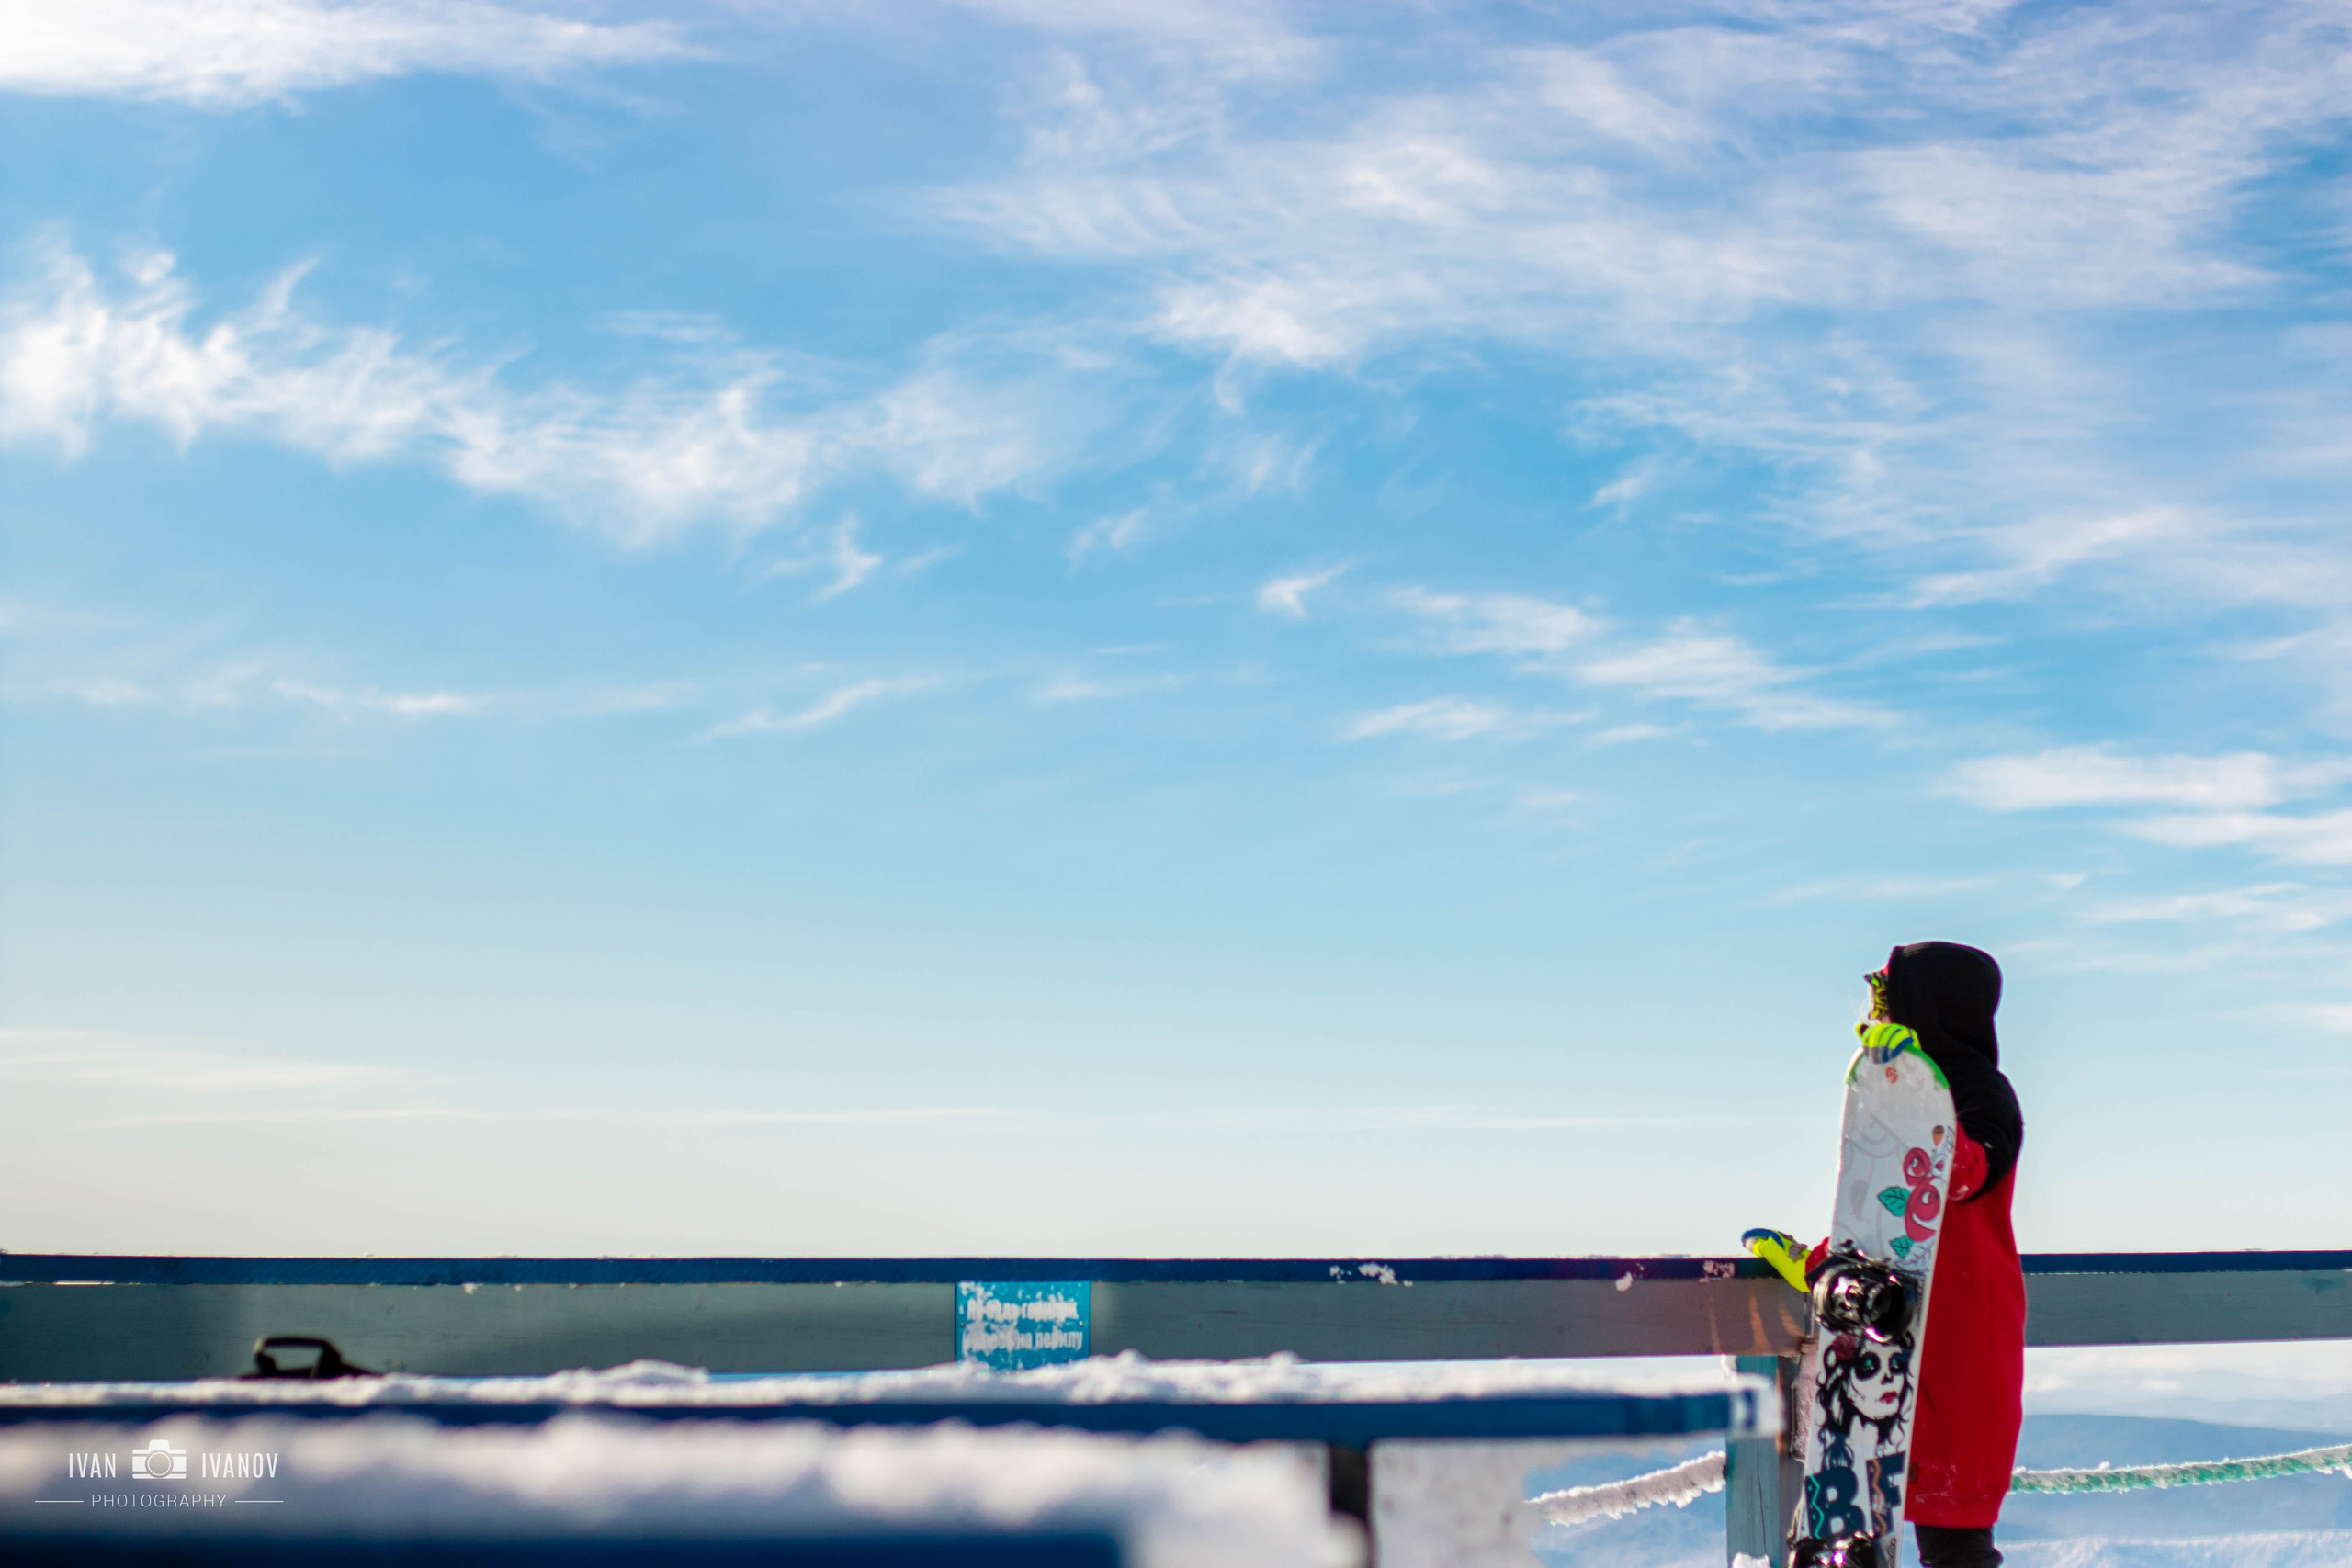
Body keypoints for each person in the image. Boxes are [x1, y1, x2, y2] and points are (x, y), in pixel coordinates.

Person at [1751, 942, 2025, 1568]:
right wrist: (1822, 1263)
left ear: (1930, 1005)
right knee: (1853, 1528)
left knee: (1954, 1535)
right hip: (1887, 1340)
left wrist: (1918, 1100)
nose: (1875, 1009)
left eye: (1887, 995)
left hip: (1962, 1343)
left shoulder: (1986, 1094)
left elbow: (1958, 1177)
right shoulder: (1909, 1091)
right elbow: (1885, 1217)